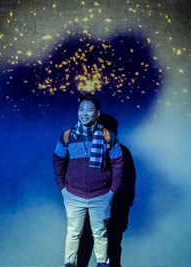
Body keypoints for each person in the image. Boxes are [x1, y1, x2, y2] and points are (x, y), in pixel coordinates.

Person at [53, 94, 123, 267]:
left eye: (89, 110)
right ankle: (69, 264)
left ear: (97, 114)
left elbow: (119, 165)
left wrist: (112, 192)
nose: (84, 113)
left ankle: (102, 264)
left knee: (100, 234)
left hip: (100, 196)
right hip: (73, 196)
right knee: (73, 233)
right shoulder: (68, 136)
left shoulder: (109, 137)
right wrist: (63, 188)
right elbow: (57, 162)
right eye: (81, 109)